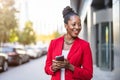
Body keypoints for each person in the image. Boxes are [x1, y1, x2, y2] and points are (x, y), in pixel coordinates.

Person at [44, 6, 93, 80]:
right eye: (74, 24)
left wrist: (70, 66)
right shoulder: (54, 43)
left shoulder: (84, 45)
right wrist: (53, 68)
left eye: (79, 24)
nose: (77, 27)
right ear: (66, 26)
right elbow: (47, 69)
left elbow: (88, 75)